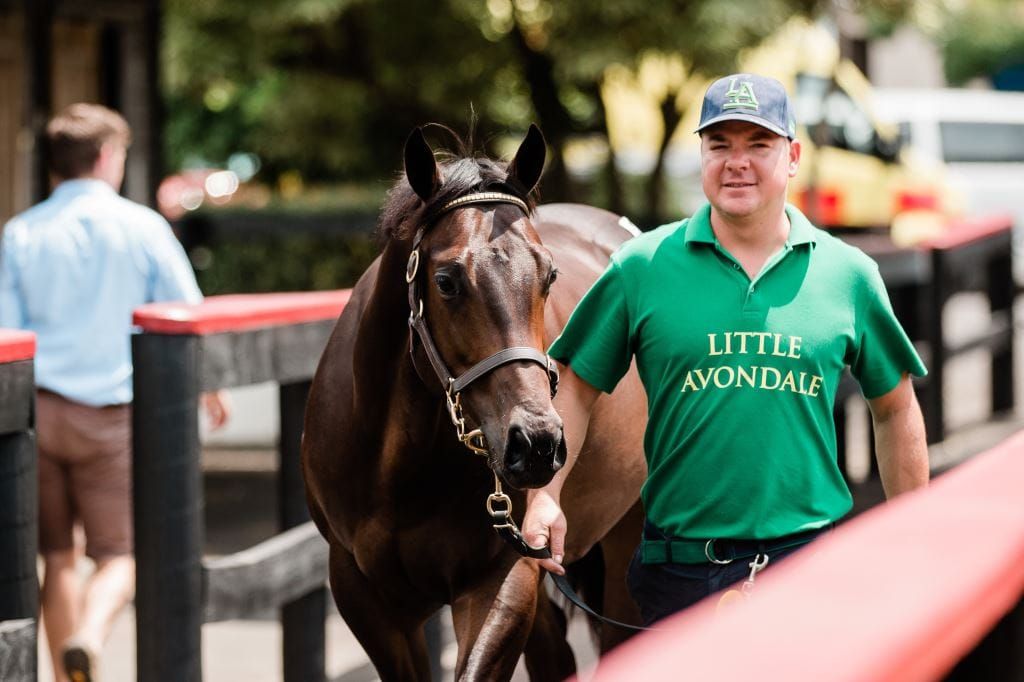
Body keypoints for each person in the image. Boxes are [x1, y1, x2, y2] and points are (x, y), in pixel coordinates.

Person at [523, 74, 929, 625]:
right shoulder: (641, 266)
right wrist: (544, 495)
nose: (736, 161)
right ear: (702, 156)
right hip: (678, 573)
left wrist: (913, 534)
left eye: (757, 144)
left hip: (807, 568)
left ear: (792, 156)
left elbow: (895, 405)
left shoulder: (849, 274)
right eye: (720, 144)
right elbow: (573, 383)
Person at [0, 103, 229, 681]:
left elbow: (6, 327)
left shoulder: (21, 232)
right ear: (106, 157)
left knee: (55, 558)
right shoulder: (142, 226)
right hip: (112, 418)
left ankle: (64, 674)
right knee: (119, 556)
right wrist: (211, 387)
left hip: (39, 414)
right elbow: (185, 311)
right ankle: (90, 635)